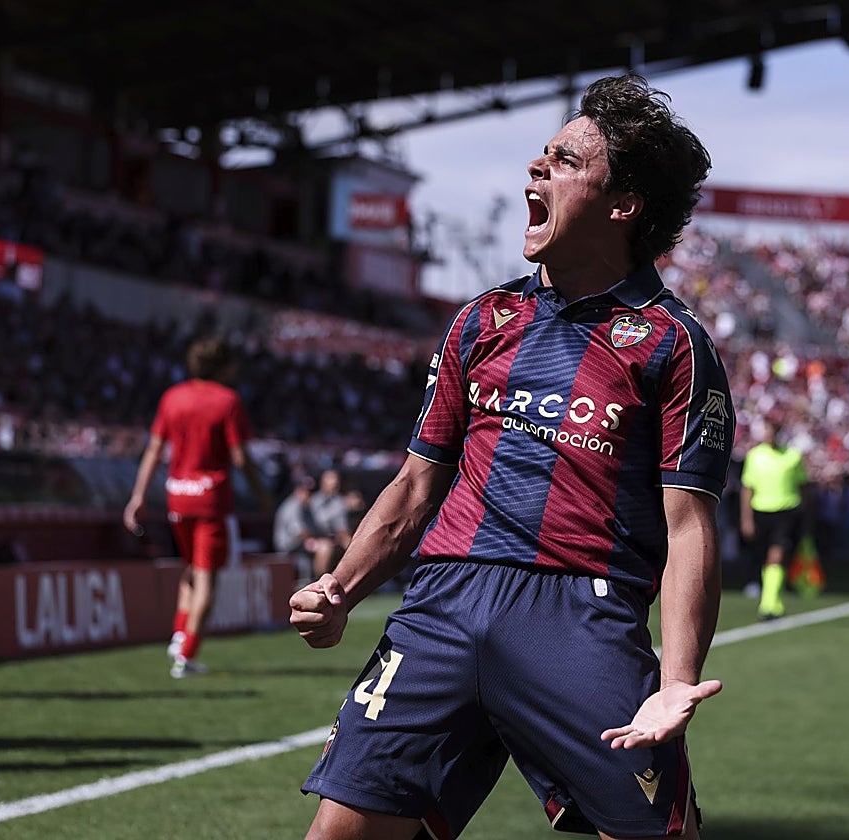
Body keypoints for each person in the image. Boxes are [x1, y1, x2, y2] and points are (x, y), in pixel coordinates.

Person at [290, 74, 734, 840]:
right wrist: (341, 589)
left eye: (562, 160)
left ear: (622, 203)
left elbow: (689, 527)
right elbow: (413, 486)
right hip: (441, 605)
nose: (536, 169)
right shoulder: (482, 320)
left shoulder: (673, 344)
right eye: (540, 155)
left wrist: (676, 683)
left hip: (575, 616)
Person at [124, 337, 268, 678]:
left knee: (191, 568)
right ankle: (186, 655)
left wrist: (138, 496)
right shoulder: (227, 401)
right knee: (207, 578)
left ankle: (178, 635)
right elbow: (240, 456)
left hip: (177, 495)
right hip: (211, 499)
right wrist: (262, 492)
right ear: (222, 366)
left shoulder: (172, 397)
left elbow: (154, 450)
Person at [739, 417, 808, 621]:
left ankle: (769, 604)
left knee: (776, 555)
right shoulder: (754, 456)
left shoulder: (793, 456)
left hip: (785, 512)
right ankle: (771, 598)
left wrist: (805, 515)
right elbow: (747, 489)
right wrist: (746, 518)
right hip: (761, 511)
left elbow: (804, 486)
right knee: (764, 557)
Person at [309, 468, 353, 577]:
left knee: (352, 544)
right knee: (325, 547)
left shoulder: (339, 501)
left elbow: (342, 527)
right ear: (323, 482)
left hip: (336, 538)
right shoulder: (314, 501)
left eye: (336, 479)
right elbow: (315, 525)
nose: (334, 482)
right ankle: (319, 582)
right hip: (316, 538)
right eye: (331, 479)